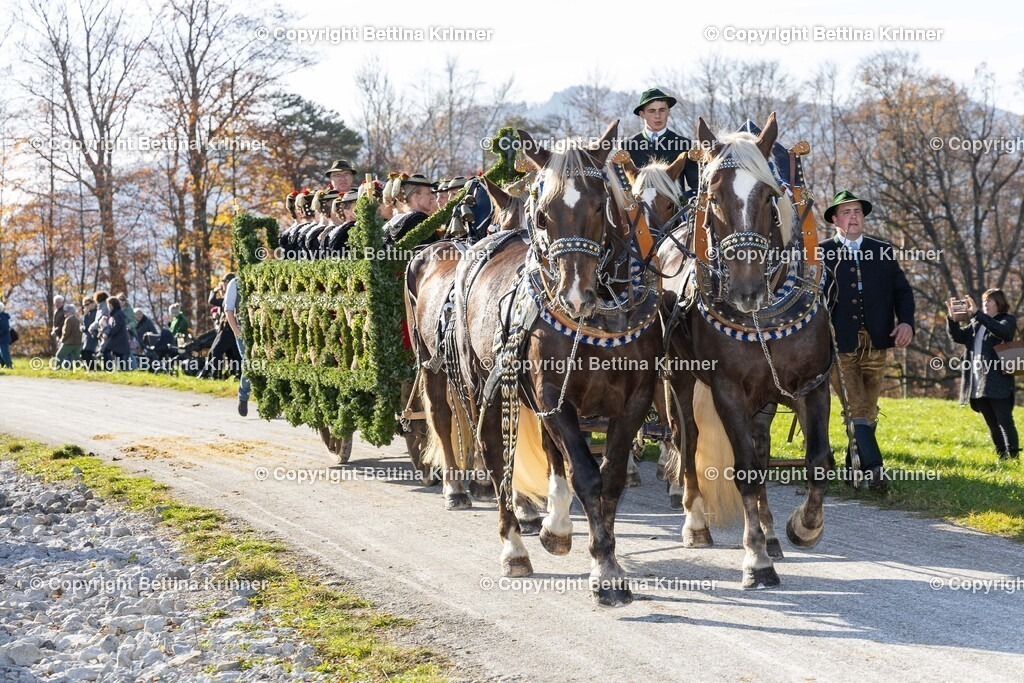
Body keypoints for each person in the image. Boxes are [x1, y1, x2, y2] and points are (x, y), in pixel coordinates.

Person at [822, 190, 915, 490]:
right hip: (840, 345)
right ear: (835, 220)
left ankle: (854, 469)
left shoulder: (883, 250)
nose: (854, 217)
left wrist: (907, 323)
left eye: (858, 212)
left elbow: (903, 292)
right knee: (856, 406)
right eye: (847, 212)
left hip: (878, 341)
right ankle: (875, 469)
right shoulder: (822, 253)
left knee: (869, 409)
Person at [947, 289, 1019, 460]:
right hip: (978, 382)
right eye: (984, 301)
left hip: (998, 382)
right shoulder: (977, 324)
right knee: (992, 424)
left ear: (999, 303)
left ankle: (1014, 457)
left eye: (989, 301)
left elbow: (1004, 333)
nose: (986, 304)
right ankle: (1002, 456)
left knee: (1005, 422)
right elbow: (957, 336)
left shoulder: (1007, 320)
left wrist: (978, 313)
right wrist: (952, 319)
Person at [627, 87, 699, 196]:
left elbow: (697, 186)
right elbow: (622, 190)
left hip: (676, 210)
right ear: (642, 114)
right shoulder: (627, 147)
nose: (657, 116)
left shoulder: (685, 145)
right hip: (639, 211)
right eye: (652, 111)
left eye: (662, 110)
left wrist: (681, 200)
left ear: (668, 112)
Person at [381, 173, 436, 246]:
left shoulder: (393, 223)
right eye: (428, 193)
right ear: (416, 197)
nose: (432, 197)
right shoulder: (420, 221)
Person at [222, 274, 250, 416]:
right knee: (249, 362)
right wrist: (236, 331)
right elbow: (229, 309)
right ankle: (243, 396)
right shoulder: (235, 283)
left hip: (261, 330)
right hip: (241, 329)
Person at [101, 296, 131, 369]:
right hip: (118, 340)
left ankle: (108, 369)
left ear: (111, 305)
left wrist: (107, 333)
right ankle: (117, 370)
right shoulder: (116, 314)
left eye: (108, 304)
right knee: (119, 357)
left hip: (118, 340)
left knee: (106, 351)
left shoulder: (117, 314)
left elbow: (115, 328)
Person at [81, 298, 99, 366]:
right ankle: (94, 368)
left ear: (93, 303)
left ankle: (95, 368)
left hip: (92, 336)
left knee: (88, 354)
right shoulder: (88, 313)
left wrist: (85, 316)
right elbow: (82, 326)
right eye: (84, 305)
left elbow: (88, 326)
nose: (86, 306)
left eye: (87, 304)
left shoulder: (95, 313)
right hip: (85, 337)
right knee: (83, 354)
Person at [0, 301, 12, 368]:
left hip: (4, 339)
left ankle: (9, 365)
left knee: (4, 353)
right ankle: (3, 364)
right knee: (1, 353)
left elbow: (5, 329)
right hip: (1, 339)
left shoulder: (3, 317)